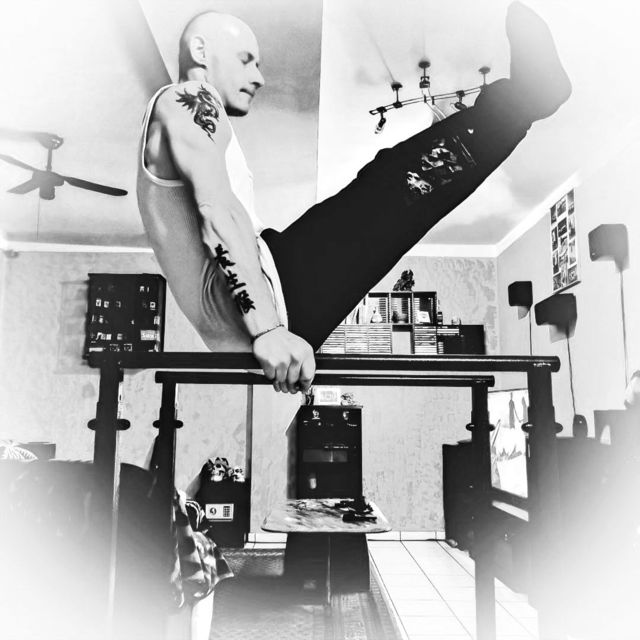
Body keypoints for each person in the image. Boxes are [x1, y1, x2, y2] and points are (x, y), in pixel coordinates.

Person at [137, 3, 571, 394]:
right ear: (200, 50)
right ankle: (523, 100)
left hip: (264, 304)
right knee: (397, 186)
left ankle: (514, 105)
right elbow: (217, 209)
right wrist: (268, 330)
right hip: (272, 302)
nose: (260, 77)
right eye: (246, 59)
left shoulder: (173, 123)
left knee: (396, 186)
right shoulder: (185, 99)